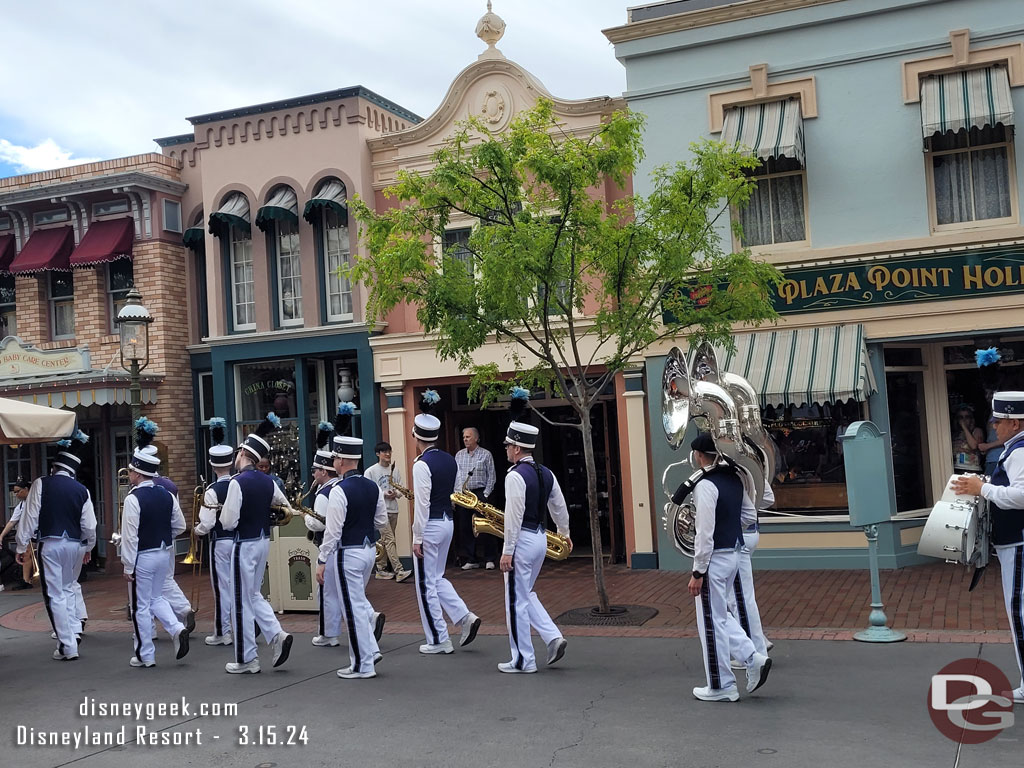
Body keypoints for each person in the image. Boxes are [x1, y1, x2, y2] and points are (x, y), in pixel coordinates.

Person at [684, 432, 771, 702]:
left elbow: (704, 534)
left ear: (699, 456)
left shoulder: (705, 485)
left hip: (715, 559)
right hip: (733, 552)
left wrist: (698, 571)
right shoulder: (733, 478)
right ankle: (752, 657)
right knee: (720, 617)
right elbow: (748, 515)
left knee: (710, 622)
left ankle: (721, 685)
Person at [953, 391, 1024, 704]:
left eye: (1000, 420)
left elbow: (1021, 495)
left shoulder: (1020, 451)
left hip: (1019, 541)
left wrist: (982, 488)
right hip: (1015, 540)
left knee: (1019, 613)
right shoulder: (1015, 449)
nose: (994, 425)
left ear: (1016, 422)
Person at [498, 389, 572, 674]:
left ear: (517, 448)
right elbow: (559, 505)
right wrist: (563, 532)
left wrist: (507, 550)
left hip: (524, 540)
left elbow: (513, 517)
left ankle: (522, 660)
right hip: (541, 538)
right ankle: (553, 637)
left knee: (515, 601)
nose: (506, 449)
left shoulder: (516, 475)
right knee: (526, 593)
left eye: (507, 446)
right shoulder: (546, 472)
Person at [219, 413, 295, 674]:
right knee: (254, 595)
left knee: (240, 599)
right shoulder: (268, 481)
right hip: (263, 540)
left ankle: (246, 658)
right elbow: (286, 509)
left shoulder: (237, 482)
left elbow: (228, 522)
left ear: (243, 453)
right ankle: (277, 634)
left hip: (243, 543)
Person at [316, 416, 388, 679]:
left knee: (353, 607)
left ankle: (362, 664)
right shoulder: (372, 486)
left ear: (341, 460)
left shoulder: (339, 490)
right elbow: (381, 520)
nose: (334, 461)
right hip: (368, 549)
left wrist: (323, 559)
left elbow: (333, 531)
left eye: (335, 457)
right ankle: (370, 650)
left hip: (348, 552)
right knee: (357, 603)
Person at [411, 389, 481, 654]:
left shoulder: (421, 464)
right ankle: (464, 617)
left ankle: (438, 638)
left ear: (416, 435)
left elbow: (422, 504)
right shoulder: (451, 459)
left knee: (425, 584)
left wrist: (417, 537)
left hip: (429, 525)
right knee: (437, 577)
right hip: (447, 521)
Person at [15, 431, 95, 661]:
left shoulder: (41, 484)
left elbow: (29, 519)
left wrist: (21, 547)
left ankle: (67, 646)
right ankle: (74, 630)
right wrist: (88, 546)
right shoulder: (83, 490)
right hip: (75, 544)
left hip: (49, 543)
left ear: (54, 467)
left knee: (55, 595)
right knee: (69, 587)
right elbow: (89, 525)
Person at [119, 438, 190, 667]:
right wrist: (162, 534)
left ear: (138, 473)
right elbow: (179, 526)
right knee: (156, 598)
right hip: (164, 552)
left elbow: (130, 537)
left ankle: (145, 655)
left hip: (144, 556)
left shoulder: (133, 498)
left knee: (141, 605)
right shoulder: (166, 494)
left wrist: (128, 566)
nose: (129, 474)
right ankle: (177, 628)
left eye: (131, 470)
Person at [137, 419, 195, 634]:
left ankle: (150, 628)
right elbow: (177, 521)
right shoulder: (169, 485)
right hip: (166, 541)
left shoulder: (143, 489)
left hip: (145, 544)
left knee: (147, 589)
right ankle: (182, 610)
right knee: (162, 581)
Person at [194, 417, 235, 646]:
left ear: (212, 465)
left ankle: (222, 632)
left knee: (222, 588)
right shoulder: (240, 484)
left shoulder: (211, 490)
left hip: (220, 541)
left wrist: (197, 531)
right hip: (240, 541)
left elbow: (207, 523)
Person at [305, 420, 342, 647]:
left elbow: (319, 524)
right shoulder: (340, 486)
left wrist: (306, 518)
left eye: (315, 470)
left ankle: (328, 634)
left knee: (326, 593)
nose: (313, 474)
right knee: (341, 592)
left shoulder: (323, 493)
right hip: (344, 545)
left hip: (328, 546)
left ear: (322, 471)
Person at [364, 441, 412, 582]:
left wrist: (395, 493)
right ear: (378, 454)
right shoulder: (371, 471)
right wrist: (384, 494)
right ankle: (399, 570)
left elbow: (401, 489)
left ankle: (381, 568)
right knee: (390, 539)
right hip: (380, 511)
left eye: (389, 451)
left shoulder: (394, 469)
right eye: (384, 452)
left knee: (385, 540)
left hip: (393, 509)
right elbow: (368, 492)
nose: (388, 454)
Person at [454, 426, 498, 570]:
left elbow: (491, 476)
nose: (465, 439)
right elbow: (457, 476)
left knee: (485, 526)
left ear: (476, 438)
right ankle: (470, 558)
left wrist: (485, 494)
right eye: (464, 437)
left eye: (468, 436)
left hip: (480, 493)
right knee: (465, 526)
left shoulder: (486, 454)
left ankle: (489, 558)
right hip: (464, 494)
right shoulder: (459, 455)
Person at [1, 476, 34, 590]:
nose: (16, 495)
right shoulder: (21, 506)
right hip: (31, 535)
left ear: (26, 489)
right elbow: (11, 522)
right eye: (14, 493)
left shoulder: (37, 500)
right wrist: (1, 536)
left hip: (44, 534)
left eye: (18, 492)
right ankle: (26, 581)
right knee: (26, 553)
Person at [952, 404, 984, 473]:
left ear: (971, 419)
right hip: (957, 468)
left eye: (966, 417)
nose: (963, 420)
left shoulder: (977, 431)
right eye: (961, 417)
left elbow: (974, 446)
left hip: (972, 469)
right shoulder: (955, 434)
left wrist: (964, 427)